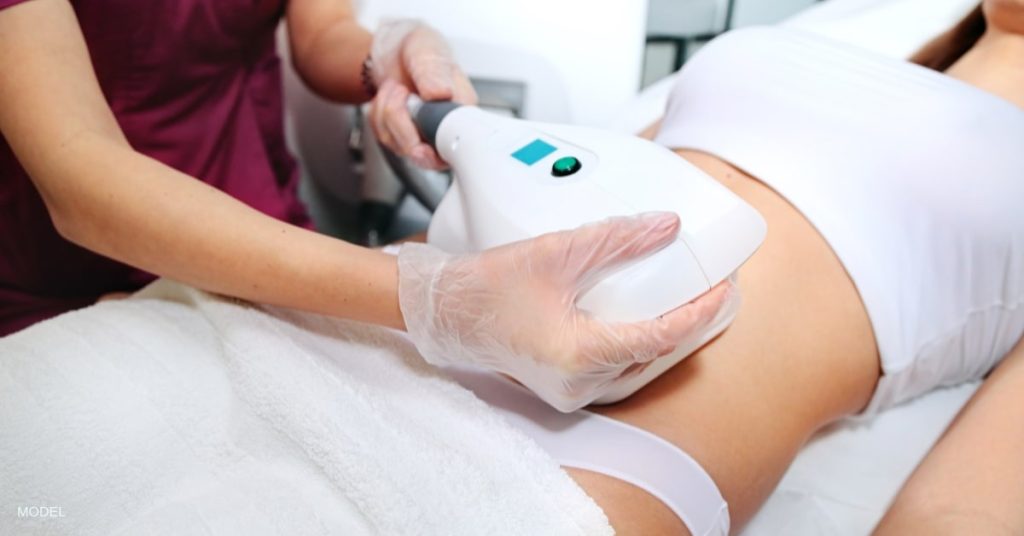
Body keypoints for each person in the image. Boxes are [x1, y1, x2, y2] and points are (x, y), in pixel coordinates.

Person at [443, 2, 1021, 533]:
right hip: (425, 331)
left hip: (597, 459)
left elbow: (960, 513)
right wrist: (409, 281)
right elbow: (561, 187)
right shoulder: (824, 54)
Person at [0, 0, 729, 405]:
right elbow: (79, 175)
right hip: (63, 274)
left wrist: (384, 53)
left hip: (268, 238)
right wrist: (432, 299)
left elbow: (317, 34)